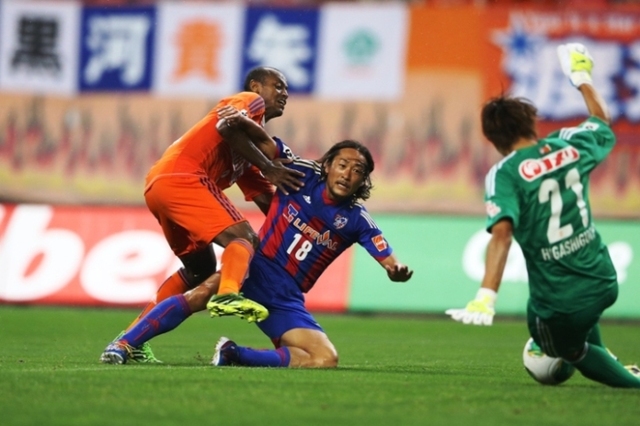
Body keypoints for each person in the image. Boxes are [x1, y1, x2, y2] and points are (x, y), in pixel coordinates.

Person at [100, 138, 413, 367]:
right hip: (258, 267)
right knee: (201, 294)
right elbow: (261, 143)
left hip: (287, 296)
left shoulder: (357, 219)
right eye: (342, 165)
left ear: (363, 180)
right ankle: (124, 343)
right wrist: (239, 125)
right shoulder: (300, 174)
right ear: (328, 165)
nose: (347, 174)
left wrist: (395, 269)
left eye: (357, 170)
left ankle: (234, 354)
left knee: (324, 358)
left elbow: (387, 256)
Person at [445, 43, 640, 388]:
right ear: (532, 124)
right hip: (603, 276)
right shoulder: (568, 146)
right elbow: (600, 120)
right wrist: (580, 76)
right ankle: (606, 359)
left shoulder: (505, 174)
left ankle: (627, 380)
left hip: (558, 297)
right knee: (576, 324)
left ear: (492, 138)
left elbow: (502, 235)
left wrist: (486, 296)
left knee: (560, 349)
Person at [100, 67, 304, 364]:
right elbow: (226, 125)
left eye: (286, 89)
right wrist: (269, 166)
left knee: (200, 270)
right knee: (245, 238)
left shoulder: (246, 152)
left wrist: (303, 225)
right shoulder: (249, 101)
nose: (284, 93)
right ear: (256, 86)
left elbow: (267, 201)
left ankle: (128, 341)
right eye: (278, 86)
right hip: (185, 176)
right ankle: (228, 294)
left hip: (159, 186)